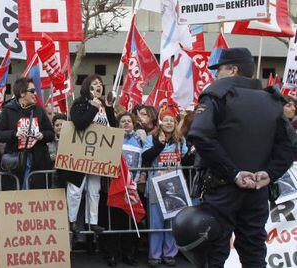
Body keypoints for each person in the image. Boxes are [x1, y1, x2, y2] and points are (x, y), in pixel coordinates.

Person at [187, 47, 296, 267]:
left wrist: (234, 173)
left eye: (219, 70)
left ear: (233, 70)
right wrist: (269, 174)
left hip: (222, 191)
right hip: (257, 191)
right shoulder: (272, 100)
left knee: (214, 252)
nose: (216, 75)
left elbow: (199, 135)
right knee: (253, 251)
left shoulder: (217, 94)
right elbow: (289, 144)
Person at [59, 74, 117, 234]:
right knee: (76, 190)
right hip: (79, 154)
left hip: (97, 155)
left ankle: (92, 221)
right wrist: (93, 106)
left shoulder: (105, 105)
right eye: (94, 83)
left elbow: (114, 127)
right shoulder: (80, 103)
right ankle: (71, 221)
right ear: (87, 86)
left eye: (100, 83)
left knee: (94, 189)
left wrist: (110, 108)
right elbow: (80, 123)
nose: (98, 86)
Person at [142, 109, 188, 267]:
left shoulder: (180, 140)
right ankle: (155, 255)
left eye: (171, 120)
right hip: (156, 184)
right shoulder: (152, 138)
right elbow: (145, 157)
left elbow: (186, 157)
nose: (169, 122)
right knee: (156, 222)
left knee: (172, 221)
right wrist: (160, 144)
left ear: (175, 123)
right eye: (166, 120)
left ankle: (169, 254)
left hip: (174, 185)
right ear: (160, 122)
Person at [0, 77, 54, 189]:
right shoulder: (7, 110)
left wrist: (42, 135)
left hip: (38, 163)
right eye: (32, 91)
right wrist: (14, 134)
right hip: (15, 163)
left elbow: (51, 133)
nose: (35, 94)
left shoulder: (39, 110)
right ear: (22, 93)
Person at [103, 112, 144, 266]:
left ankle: (129, 254)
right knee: (114, 223)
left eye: (129, 121)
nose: (126, 123)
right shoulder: (113, 139)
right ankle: (113, 254)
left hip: (131, 188)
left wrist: (137, 179)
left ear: (133, 124)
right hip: (116, 187)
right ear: (118, 124)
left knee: (130, 223)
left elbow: (141, 161)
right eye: (123, 121)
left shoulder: (140, 140)